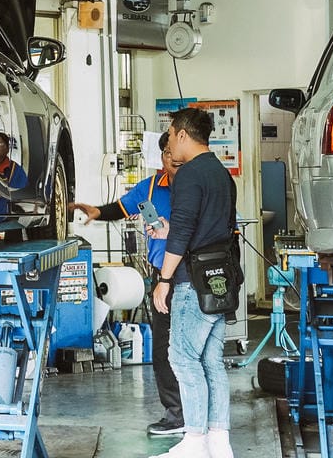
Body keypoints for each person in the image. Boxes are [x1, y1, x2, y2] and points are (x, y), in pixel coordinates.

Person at [70, 132, 184, 437]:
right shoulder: (149, 188)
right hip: (163, 280)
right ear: (161, 156)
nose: (172, 158)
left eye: (176, 151)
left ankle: (202, 416)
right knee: (162, 351)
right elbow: (120, 208)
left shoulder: (196, 185)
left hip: (193, 277)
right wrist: (97, 211)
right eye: (167, 153)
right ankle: (176, 415)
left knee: (193, 351)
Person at [148, 108, 236, 458]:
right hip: (222, 277)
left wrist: (164, 279)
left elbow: (184, 231)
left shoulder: (187, 175)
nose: (169, 143)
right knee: (211, 361)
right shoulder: (221, 173)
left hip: (192, 280)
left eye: (169, 135)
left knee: (182, 358)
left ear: (183, 134)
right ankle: (219, 441)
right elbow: (217, 227)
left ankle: (195, 442)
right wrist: (170, 229)